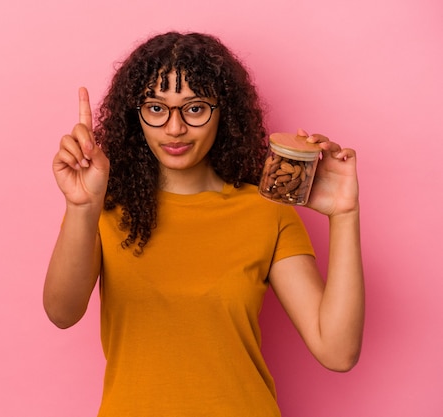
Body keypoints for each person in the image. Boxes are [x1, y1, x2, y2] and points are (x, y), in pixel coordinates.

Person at [43, 31, 364, 417]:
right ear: (136, 115)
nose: (174, 128)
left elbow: (337, 350)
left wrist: (344, 215)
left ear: (222, 110)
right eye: (156, 108)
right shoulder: (101, 208)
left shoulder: (268, 210)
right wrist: (82, 207)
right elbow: (62, 313)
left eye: (194, 108)